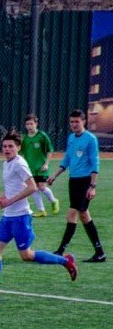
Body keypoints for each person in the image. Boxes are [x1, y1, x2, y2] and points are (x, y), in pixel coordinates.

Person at [0, 130, 78, 303]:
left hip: (20, 218)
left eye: (11, 146)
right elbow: (13, 187)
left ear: (18, 148)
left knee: (26, 255)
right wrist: (1, 199)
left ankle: (65, 261)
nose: (7, 149)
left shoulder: (19, 164)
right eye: (4, 146)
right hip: (8, 217)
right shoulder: (6, 164)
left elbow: (32, 187)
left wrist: (10, 201)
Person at [46, 109, 105, 263]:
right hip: (73, 181)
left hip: (85, 181)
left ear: (83, 121)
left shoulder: (90, 139)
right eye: (71, 122)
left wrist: (92, 186)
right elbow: (67, 159)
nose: (74, 124)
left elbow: (95, 162)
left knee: (72, 213)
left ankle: (60, 250)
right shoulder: (71, 138)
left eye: (77, 121)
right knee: (84, 215)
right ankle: (100, 252)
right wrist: (55, 175)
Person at [20, 114, 59, 217]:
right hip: (30, 168)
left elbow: (49, 150)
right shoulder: (25, 138)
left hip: (41, 167)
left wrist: (46, 164)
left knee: (42, 187)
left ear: (36, 124)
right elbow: (21, 153)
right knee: (34, 188)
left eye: (31, 124)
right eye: (27, 124)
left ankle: (54, 201)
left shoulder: (42, 136)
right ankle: (42, 211)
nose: (29, 126)